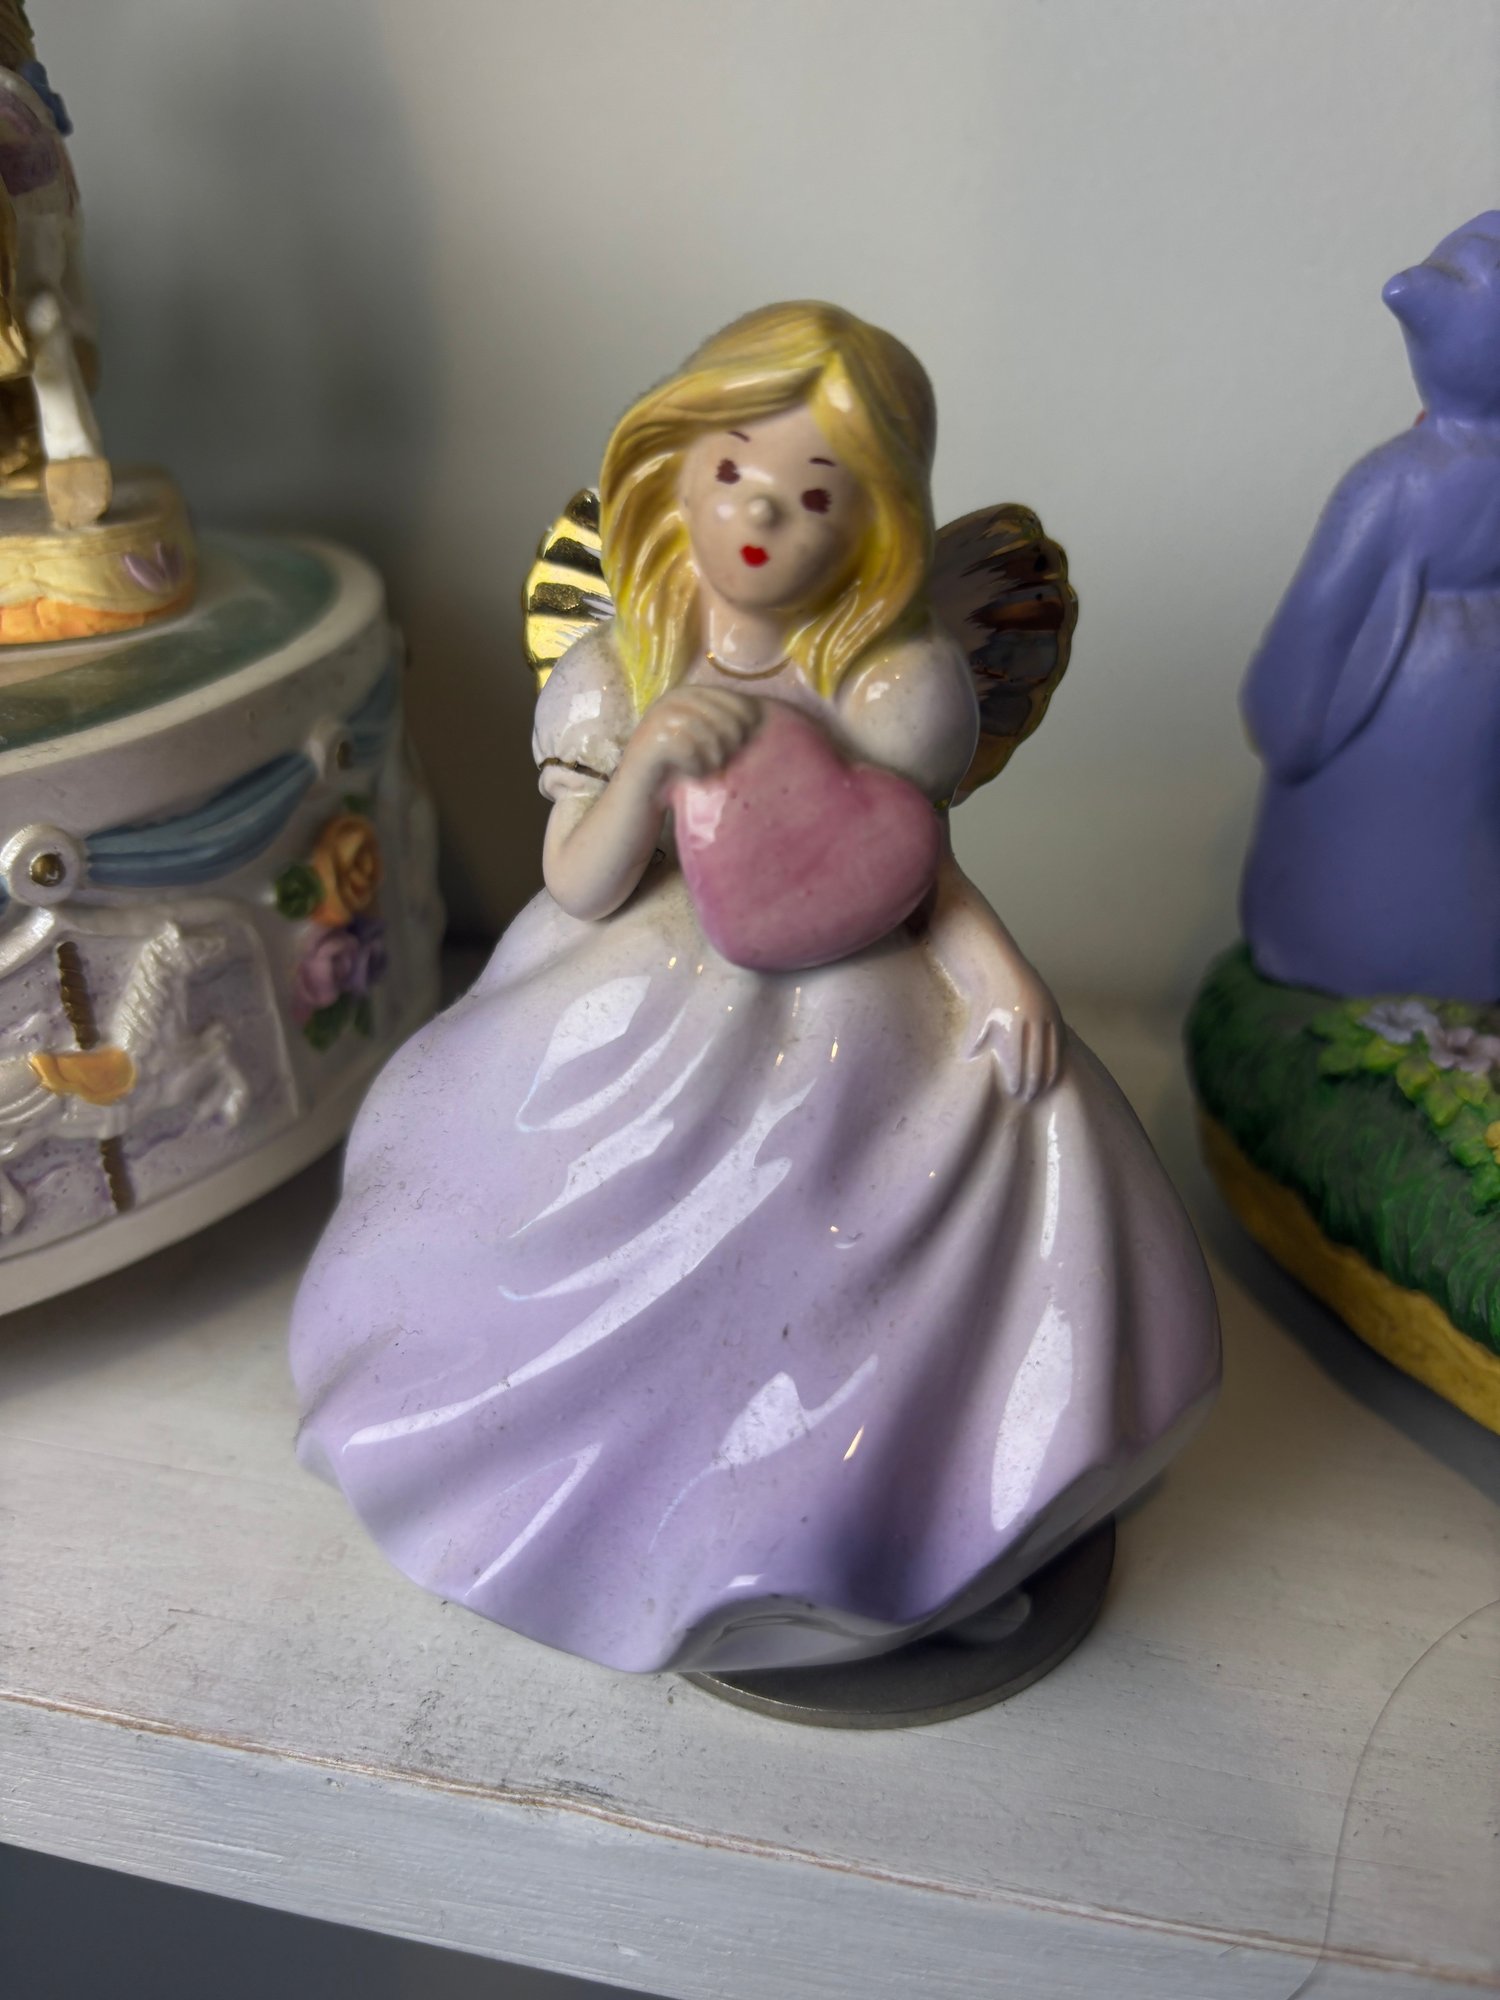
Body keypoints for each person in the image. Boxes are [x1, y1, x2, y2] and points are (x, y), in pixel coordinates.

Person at [291, 302, 1219, 1675]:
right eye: (731, 470)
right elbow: (581, 883)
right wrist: (652, 762)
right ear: (672, 471)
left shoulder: (891, 685)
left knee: (958, 1177)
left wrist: (1002, 978)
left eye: (815, 493)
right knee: (548, 1208)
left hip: (862, 1021)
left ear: (876, 527)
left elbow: (917, 868)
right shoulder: (623, 671)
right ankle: (581, 1514)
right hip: (630, 997)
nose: (763, 513)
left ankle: (888, 1520)